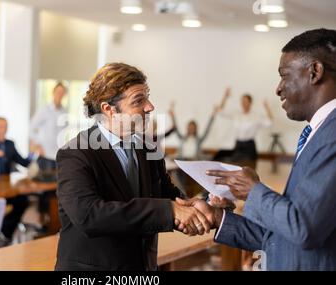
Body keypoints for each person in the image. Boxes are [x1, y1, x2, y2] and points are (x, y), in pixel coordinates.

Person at [185, 29, 336, 271]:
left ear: (314, 72)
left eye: (284, 75)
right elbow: (283, 237)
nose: (278, 88)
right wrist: (217, 217)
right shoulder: (318, 132)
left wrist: (253, 190)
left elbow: (304, 230)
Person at [55, 63, 213, 271]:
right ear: (109, 109)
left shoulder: (148, 148)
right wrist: (170, 211)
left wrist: (201, 203)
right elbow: (89, 215)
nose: (150, 107)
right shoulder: (76, 153)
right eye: (139, 100)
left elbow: (168, 196)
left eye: (147, 97)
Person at [214, 87, 274, 167]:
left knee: (248, 168)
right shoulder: (236, 114)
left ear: (250, 103)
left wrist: (267, 107)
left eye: (246, 101)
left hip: (249, 147)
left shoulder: (255, 116)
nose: (243, 103)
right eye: (242, 101)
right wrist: (225, 96)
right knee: (233, 165)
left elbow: (270, 123)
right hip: (238, 145)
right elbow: (220, 111)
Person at [30, 82, 68, 172]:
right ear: (53, 92)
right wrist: (37, 145)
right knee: (45, 185)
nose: (60, 95)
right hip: (45, 155)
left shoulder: (64, 112)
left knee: (57, 185)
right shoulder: (44, 110)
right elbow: (31, 128)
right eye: (58, 92)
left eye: (62, 93)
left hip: (59, 156)